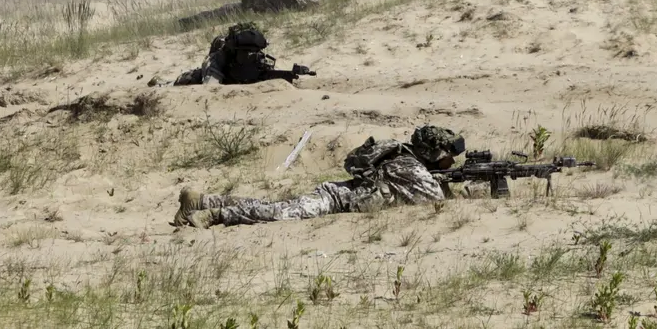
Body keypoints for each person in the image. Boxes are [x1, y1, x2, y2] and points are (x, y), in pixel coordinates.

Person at [172, 125, 465, 229]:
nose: (450, 162)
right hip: (333, 202)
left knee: (274, 206)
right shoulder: (411, 168)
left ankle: (201, 201)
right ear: (431, 154)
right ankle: (215, 215)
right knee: (276, 213)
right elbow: (435, 199)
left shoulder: (404, 157)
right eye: (446, 158)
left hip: (336, 194)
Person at [171, 21, 314, 86]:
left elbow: (268, 75)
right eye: (245, 53)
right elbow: (210, 89)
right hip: (204, 77)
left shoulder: (257, 60)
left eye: (253, 52)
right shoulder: (219, 59)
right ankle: (162, 83)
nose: (250, 56)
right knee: (186, 80)